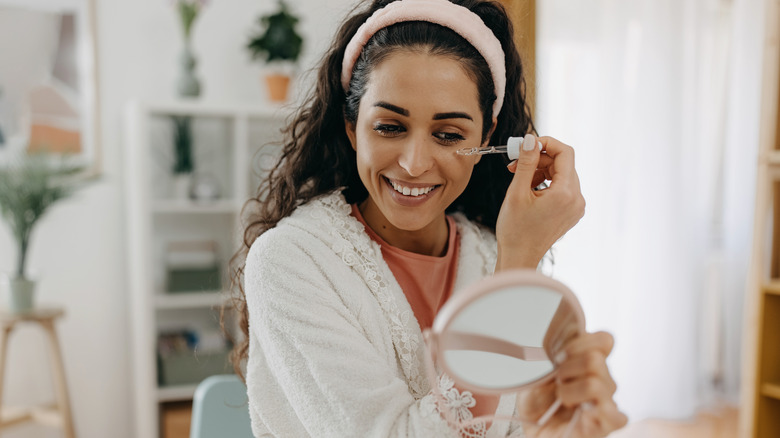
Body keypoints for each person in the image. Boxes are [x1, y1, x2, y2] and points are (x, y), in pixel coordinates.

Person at [228, 0, 628, 436]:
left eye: (448, 135)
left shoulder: (491, 251)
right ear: (351, 126)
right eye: (389, 127)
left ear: (487, 136)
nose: (415, 163)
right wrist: (517, 268)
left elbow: (518, 426)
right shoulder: (289, 261)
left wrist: (564, 423)